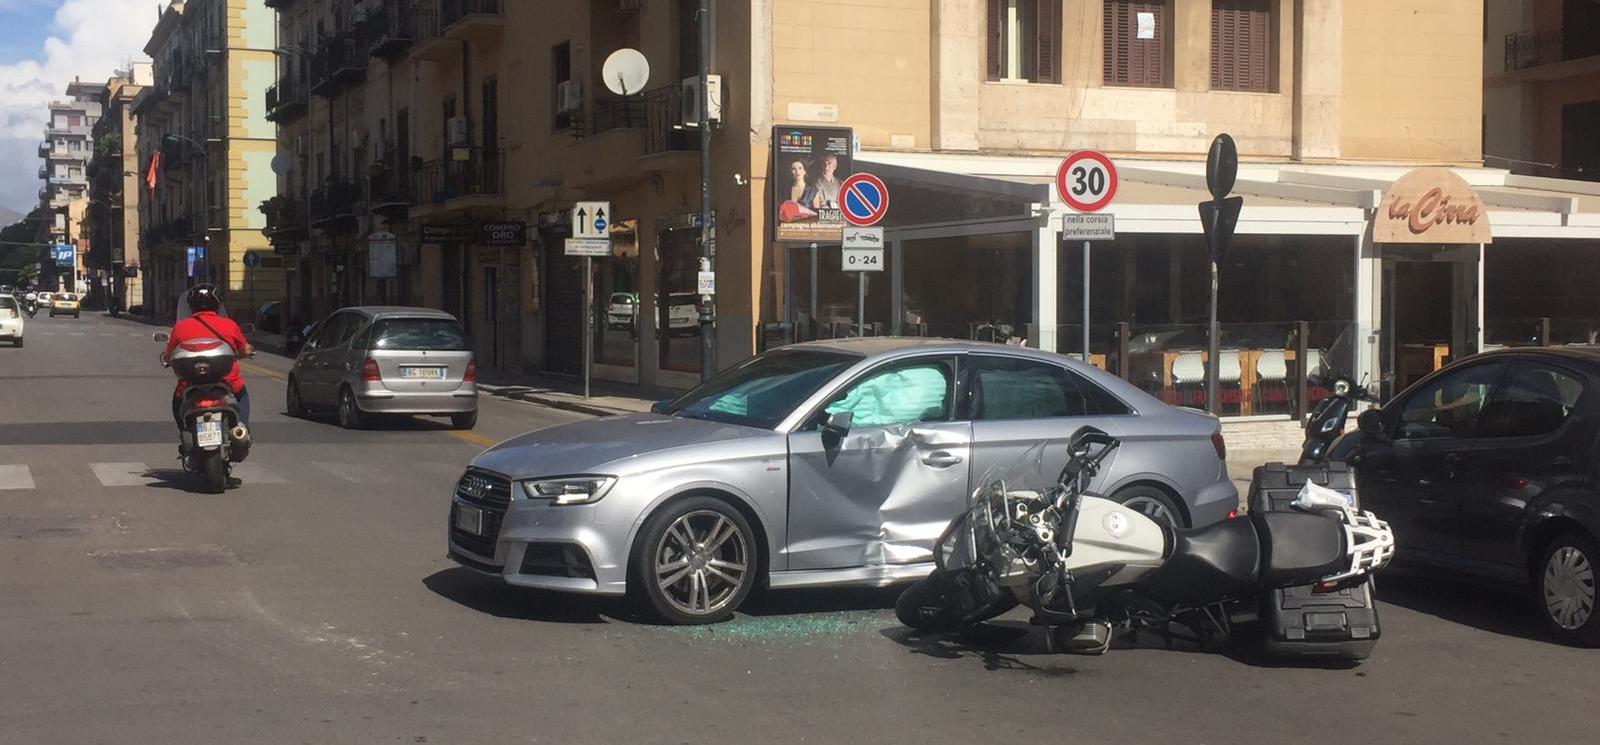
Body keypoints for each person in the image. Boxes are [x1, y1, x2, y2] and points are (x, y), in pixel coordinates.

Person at [162, 283, 254, 437]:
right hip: (228, 382)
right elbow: (244, 349)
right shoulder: (229, 325)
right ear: (217, 304)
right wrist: (248, 351)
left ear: (191, 305)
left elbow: (169, 355)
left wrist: (167, 360)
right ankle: (242, 429)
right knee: (242, 394)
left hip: (190, 384)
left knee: (177, 401)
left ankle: (185, 432)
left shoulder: (180, 327)